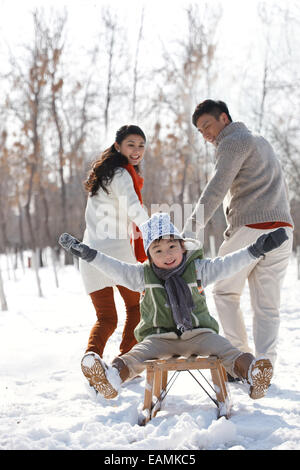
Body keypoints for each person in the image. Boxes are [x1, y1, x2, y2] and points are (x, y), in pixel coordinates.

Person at [59, 212, 288, 401]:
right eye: (158, 251)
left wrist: (257, 249)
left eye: (171, 247)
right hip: (159, 338)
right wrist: (89, 254)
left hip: (199, 334)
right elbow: (115, 268)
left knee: (227, 349)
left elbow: (228, 264)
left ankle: (253, 374)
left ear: (182, 247)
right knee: (134, 355)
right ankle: (111, 378)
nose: (167, 255)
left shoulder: (198, 269)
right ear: (149, 255)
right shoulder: (142, 275)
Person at [183, 99, 293, 371]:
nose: (206, 134)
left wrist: (189, 230)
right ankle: (264, 365)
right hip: (282, 230)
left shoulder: (232, 141)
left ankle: (241, 361)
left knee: (223, 290)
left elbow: (216, 188)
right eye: (200, 131)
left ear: (224, 118)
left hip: (252, 229)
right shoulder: (261, 142)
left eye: (207, 125)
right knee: (267, 305)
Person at [78, 124, 149, 369]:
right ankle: (125, 362)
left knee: (106, 318)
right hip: (116, 253)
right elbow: (133, 208)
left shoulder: (103, 176)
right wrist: (155, 231)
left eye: (141, 145)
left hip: (90, 254)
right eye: (131, 144)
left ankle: (92, 357)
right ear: (118, 146)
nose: (137, 149)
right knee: (136, 307)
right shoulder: (121, 174)